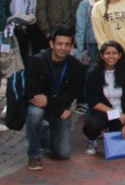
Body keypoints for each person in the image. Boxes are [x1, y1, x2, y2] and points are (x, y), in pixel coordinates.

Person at [24, 28, 85, 171]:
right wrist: (54, 106)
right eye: (59, 44)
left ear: (71, 46)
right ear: (51, 44)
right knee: (34, 113)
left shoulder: (76, 67)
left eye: (67, 44)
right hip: (40, 106)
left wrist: (49, 103)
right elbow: (30, 94)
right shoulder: (36, 61)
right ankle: (34, 154)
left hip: (59, 107)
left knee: (63, 153)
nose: (63, 48)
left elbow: (71, 96)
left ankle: (44, 134)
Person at [82, 41, 125, 155]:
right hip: (103, 111)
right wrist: (115, 113)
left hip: (122, 112)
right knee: (92, 124)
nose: (111, 56)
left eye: (114, 53)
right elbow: (93, 100)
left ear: (120, 55)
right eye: (107, 53)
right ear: (102, 55)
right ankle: (92, 139)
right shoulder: (93, 74)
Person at [74, 0, 105, 65]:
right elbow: (80, 28)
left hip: (108, 42)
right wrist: (80, 50)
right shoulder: (85, 4)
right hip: (92, 44)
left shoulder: (111, 3)